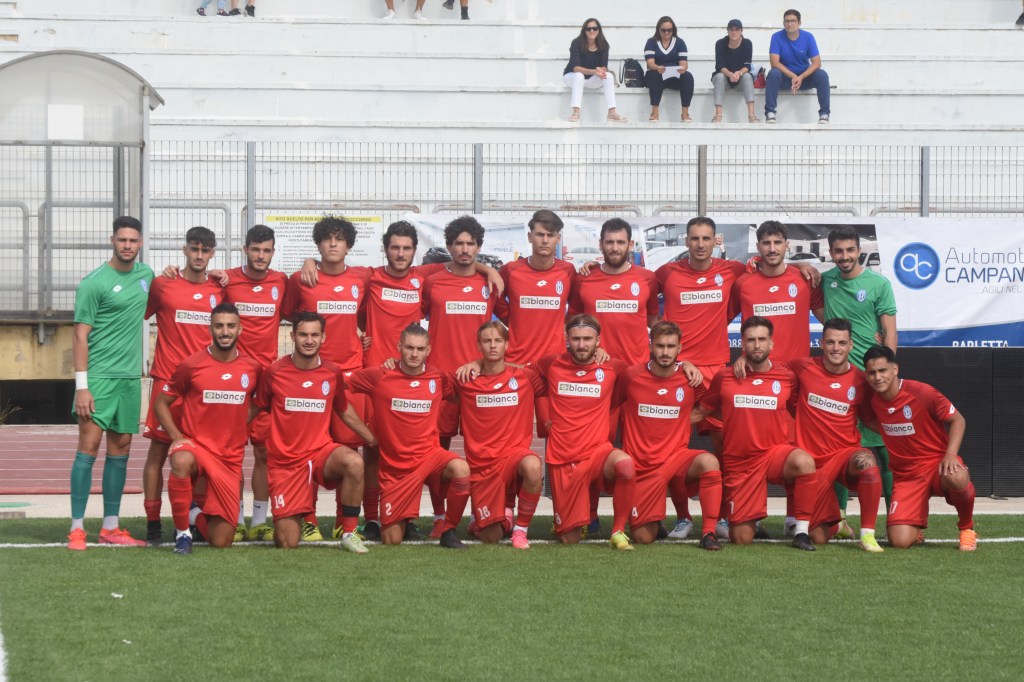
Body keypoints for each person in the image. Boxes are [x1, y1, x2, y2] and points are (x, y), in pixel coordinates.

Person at [691, 316, 819, 550]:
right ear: (742, 343)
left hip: (774, 455)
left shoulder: (787, 377)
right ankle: (751, 516)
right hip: (740, 463)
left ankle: (801, 532)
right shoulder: (725, 377)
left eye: (762, 339)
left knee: (804, 462)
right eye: (751, 340)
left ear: (771, 343)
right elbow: (701, 412)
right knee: (741, 538)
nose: (757, 345)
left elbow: (800, 413)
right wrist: (662, 424)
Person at [282, 217, 373, 542]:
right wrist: (308, 262)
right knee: (306, 447)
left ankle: (341, 521)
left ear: (348, 245)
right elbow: (288, 313)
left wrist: (362, 336)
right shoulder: (301, 278)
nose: (333, 244)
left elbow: (366, 314)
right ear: (318, 244)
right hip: (310, 374)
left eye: (339, 239)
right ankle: (307, 518)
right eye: (327, 239)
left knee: (348, 449)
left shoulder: (362, 277)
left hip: (350, 373)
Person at [67, 216, 154, 551]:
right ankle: (77, 529)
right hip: (99, 379)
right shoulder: (94, 283)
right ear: (112, 241)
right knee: (87, 450)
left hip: (129, 380)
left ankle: (110, 527)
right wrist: (82, 386)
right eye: (122, 240)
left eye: (133, 240)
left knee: (121, 451)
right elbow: (79, 336)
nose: (127, 246)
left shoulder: (146, 276)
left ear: (140, 243)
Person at [255, 311, 374, 552]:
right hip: (286, 463)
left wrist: (371, 439)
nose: (309, 340)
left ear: (323, 338)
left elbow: (343, 409)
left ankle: (349, 533)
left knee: (354, 462)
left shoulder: (332, 372)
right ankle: (291, 513)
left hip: (320, 453)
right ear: (292, 336)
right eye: (303, 335)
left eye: (314, 335)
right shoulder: (274, 372)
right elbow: (256, 408)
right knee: (287, 542)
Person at [347, 324, 472, 549]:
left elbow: (464, 395)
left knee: (461, 469)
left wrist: (477, 364)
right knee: (391, 539)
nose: (414, 354)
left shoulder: (438, 377)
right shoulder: (380, 375)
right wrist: (368, 436)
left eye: (420, 349)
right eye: (409, 348)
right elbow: (338, 390)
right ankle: (399, 517)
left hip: (429, 458)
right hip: (396, 468)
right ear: (399, 347)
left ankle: (449, 530)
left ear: (428, 350)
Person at [155, 303, 261, 554]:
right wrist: (177, 438)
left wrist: (239, 421)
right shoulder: (191, 365)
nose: (225, 331)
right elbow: (161, 403)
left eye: (231, 326)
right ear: (210, 329)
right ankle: (183, 534)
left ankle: (193, 513)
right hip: (197, 448)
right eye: (219, 326)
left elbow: (262, 402)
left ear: (240, 329)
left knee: (221, 540)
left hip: (229, 458)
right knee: (181, 459)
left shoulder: (253, 368)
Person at [141, 226, 222, 544]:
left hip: (203, 387)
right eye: (194, 249)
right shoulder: (163, 284)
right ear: (184, 249)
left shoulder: (219, 288)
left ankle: (192, 518)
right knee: (158, 453)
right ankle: (152, 523)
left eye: (205, 250)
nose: (199, 255)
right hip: (167, 382)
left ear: (213, 253)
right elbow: (139, 313)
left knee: (199, 454)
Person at [533, 314, 638, 550]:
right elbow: (524, 374)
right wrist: (545, 415)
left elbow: (645, 374)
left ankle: (618, 531)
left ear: (598, 341)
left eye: (588, 339)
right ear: (567, 339)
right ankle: (572, 519)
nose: (582, 345)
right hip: (562, 456)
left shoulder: (613, 367)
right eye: (576, 339)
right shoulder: (551, 363)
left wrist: (685, 365)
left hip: (597, 452)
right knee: (568, 539)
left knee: (625, 465)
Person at [617, 321, 723, 550]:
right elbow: (609, 404)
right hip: (642, 464)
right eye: (660, 346)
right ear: (650, 346)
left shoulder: (691, 379)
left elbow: (707, 407)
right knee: (643, 537)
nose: (665, 352)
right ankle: (654, 520)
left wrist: (680, 420)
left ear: (679, 348)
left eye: (671, 346)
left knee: (709, 462)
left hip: (676, 457)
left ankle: (709, 533)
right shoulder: (631, 376)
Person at [861, 346, 978, 551]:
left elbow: (958, 420)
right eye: (872, 372)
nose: (878, 377)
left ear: (895, 369)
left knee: (957, 477)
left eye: (883, 370)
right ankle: (914, 527)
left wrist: (950, 454)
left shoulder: (922, 392)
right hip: (907, 477)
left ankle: (966, 528)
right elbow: (870, 421)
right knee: (899, 542)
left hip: (937, 466)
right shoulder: (871, 400)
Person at [821, 225, 897, 537]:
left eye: (850, 250)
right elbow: (822, 313)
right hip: (839, 382)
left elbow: (889, 330)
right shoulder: (825, 280)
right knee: (840, 449)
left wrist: (887, 373)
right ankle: (839, 520)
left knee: (886, 451)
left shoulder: (878, 284)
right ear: (830, 253)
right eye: (838, 251)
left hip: (871, 379)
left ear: (859, 251)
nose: (844, 256)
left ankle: (898, 517)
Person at [788, 319, 883, 551]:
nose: (836, 348)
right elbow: (770, 369)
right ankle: (838, 524)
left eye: (842, 343)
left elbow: (869, 418)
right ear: (821, 343)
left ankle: (867, 535)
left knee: (868, 462)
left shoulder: (860, 380)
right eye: (830, 342)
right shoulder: (802, 367)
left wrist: (898, 433)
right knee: (817, 536)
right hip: (811, 462)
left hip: (845, 455)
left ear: (851, 345)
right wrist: (743, 360)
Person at [222, 225, 288, 542]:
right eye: (256, 249)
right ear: (245, 249)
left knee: (263, 454)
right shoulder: (226, 280)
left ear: (273, 252)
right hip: (232, 381)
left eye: (266, 250)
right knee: (230, 453)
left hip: (265, 383)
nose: (261, 256)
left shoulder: (281, 282)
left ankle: (260, 520)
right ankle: (234, 518)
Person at [455, 321, 546, 549]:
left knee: (533, 466)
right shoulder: (465, 379)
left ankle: (520, 530)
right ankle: (498, 515)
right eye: (487, 341)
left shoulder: (525, 377)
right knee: (490, 536)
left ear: (506, 345)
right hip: (483, 466)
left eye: (498, 341)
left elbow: (557, 370)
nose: (492, 346)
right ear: (479, 345)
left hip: (514, 457)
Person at [494, 209, 576, 439]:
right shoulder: (512, 270)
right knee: (510, 430)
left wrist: (563, 326)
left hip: (553, 363)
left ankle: (549, 467)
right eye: (540, 234)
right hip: (516, 361)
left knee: (553, 430)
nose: (545, 240)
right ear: (530, 236)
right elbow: (495, 297)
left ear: (558, 238)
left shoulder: (567, 271)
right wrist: (512, 320)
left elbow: (578, 304)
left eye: (550, 235)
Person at [569, 218, 659, 368]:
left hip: (636, 368)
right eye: (609, 242)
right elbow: (573, 322)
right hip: (596, 367)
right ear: (601, 244)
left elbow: (653, 321)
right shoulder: (584, 278)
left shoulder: (648, 278)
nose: (615, 248)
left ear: (630, 244)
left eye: (621, 242)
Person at [734, 221, 824, 364]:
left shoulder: (805, 279)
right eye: (766, 243)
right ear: (758, 246)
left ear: (787, 245)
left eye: (777, 242)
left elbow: (828, 320)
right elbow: (719, 321)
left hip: (796, 369)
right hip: (757, 368)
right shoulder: (742, 283)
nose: (772, 249)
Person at [765, 9, 830, 124]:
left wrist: (800, 77)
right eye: (787, 21)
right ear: (783, 23)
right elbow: (774, 63)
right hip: (786, 78)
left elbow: (817, 63)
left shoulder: (808, 37)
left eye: (793, 21)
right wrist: (793, 76)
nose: (789, 24)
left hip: (804, 79)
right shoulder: (776, 37)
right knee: (773, 73)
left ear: (799, 23)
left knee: (822, 75)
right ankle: (770, 112)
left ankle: (824, 113)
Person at [563, 18, 627, 123]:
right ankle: (576, 112)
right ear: (584, 31)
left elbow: (604, 66)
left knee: (608, 76)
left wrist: (601, 70)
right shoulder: (576, 43)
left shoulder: (604, 44)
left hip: (591, 80)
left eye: (594, 28)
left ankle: (612, 113)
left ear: (598, 30)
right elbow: (576, 68)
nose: (592, 31)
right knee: (579, 75)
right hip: (572, 77)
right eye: (588, 29)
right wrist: (594, 71)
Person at [643, 16, 694, 122]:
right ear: (658, 30)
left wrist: (683, 68)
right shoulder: (651, 42)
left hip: (673, 76)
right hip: (657, 74)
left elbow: (683, 62)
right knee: (654, 75)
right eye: (663, 30)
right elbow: (650, 63)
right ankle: (654, 112)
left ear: (673, 30)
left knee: (688, 77)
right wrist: (657, 67)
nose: (666, 32)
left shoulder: (679, 42)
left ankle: (685, 113)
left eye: (669, 30)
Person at [712, 19, 757, 123]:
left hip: (740, 77)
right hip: (725, 77)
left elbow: (747, 65)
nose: (734, 32)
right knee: (719, 76)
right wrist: (730, 74)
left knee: (747, 76)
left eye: (737, 29)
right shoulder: (720, 43)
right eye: (731, 29)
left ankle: (751, 115)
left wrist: (739, 73)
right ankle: (718, 115)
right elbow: (719, 66)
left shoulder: (747, 43)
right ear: (727, 31)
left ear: (741, 31)